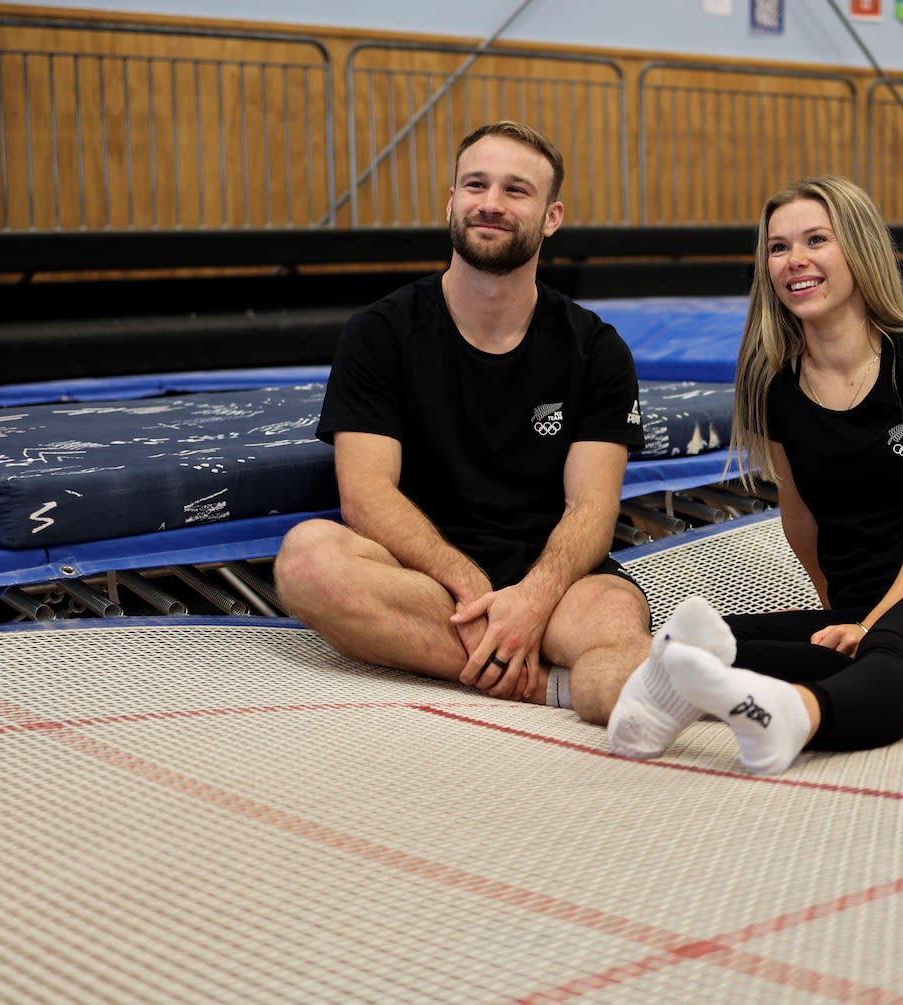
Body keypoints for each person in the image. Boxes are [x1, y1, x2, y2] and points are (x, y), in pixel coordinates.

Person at [607, 175, 903, 775]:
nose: (794, 261)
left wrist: (873, 623)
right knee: (704, 642)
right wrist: (844, 616)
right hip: (863, 609)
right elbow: (800, 520)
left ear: (858, 250)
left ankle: (797, 715)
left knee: (891, 648)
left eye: (815, 240)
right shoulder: (777, 389)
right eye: (778, 248)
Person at [272, 121, 650, 726]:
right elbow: (366, 496)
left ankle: (705, 693)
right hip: (424, 579)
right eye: (476, 185)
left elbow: (592, 511)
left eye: (516, 190)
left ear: (551, 218)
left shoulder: (597, 349)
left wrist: (530, 600)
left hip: (554, 585)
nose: (492, 204)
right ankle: (541, 684)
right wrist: (476, 594)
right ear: (452, 203)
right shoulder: (379, 333)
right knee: (307, 561)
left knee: (616, 631)